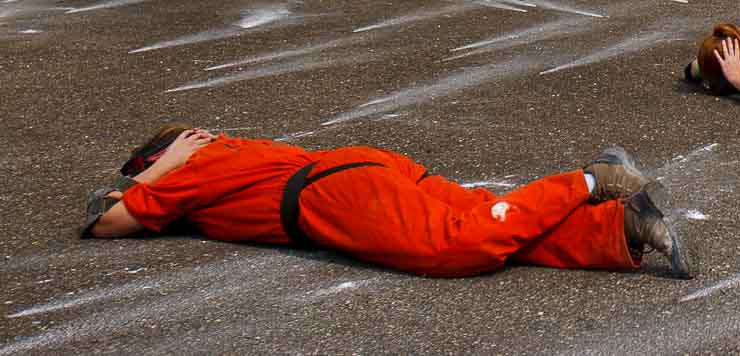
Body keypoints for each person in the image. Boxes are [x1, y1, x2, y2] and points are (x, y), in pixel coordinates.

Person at [79, 125, 694, 279]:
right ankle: (622, 228)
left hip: (335, 198)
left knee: (458, 247)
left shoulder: (197, 165)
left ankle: (594, 180)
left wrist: (156, 172)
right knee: (494, 228)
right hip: (358, 170)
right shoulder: (227, 152)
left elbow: (108, 223)